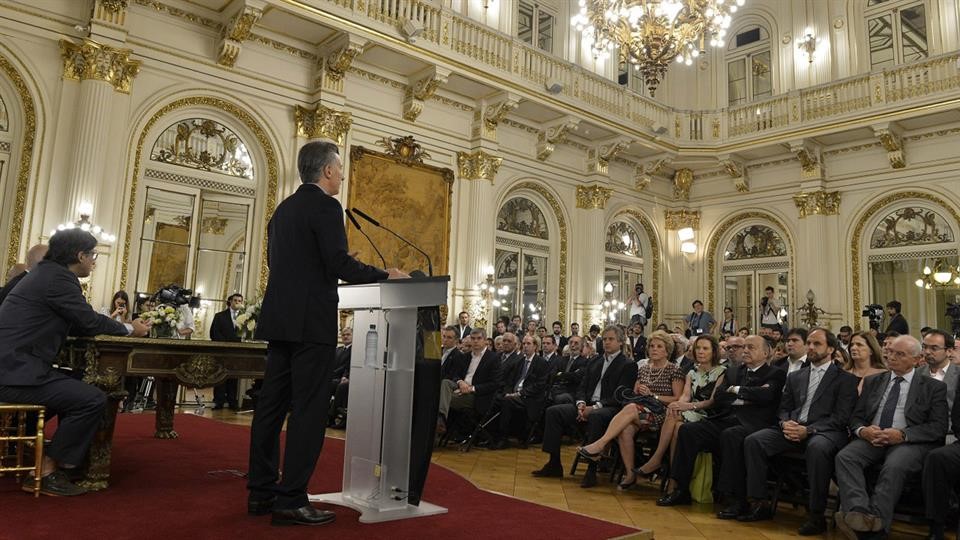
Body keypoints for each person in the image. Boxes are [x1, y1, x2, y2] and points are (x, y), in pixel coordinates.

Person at [247, 141, 406, 527]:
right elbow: (337, 264)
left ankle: (261, 492)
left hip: (280, 319)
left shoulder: (283, 210)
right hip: (311, 323)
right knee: (309, 410)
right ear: (328, 171)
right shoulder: (326, 206)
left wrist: (335, 264)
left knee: (270, 408)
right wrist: (387, 275)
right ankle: (292, 499)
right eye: (340, 168)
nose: (343, 175)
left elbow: (291, 264)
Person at [0, 229, 150, 496]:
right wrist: (130, 328)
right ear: (80, 255)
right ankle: (46, 470)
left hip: (13, 369)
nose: (94, 261)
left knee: (80, 381)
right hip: (14, 374)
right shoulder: (59, 278)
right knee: (91, 398)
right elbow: (89, 321)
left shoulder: (42, 274)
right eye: (93, 256)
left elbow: (75, 321)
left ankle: (55, 456)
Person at [741, 329, 859, 535]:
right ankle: (759, 503)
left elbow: (841, 417)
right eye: (810, 343)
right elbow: (784, 408)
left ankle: (816, 515)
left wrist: (809, 429)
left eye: (817, 344)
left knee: (817, 448)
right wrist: (786, 423)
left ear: (831, 349)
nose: (811, 347)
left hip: (825, 432)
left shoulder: (845, 379)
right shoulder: (796, 376)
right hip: (793, 428)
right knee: (754, 441)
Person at [834, 335, 948, 540]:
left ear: (916, 359)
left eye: (900, 354)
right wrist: (863, 431)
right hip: (873, 437)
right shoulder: (873, 381)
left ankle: (877, 525)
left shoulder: (932, 387)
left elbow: (938, 427)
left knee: (895, 465)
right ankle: (858, 510)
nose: (891, 357)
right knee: (845, 457)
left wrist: (903, 434)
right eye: (891, 352)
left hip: (908, 442)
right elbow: (856, 417)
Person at [656, 334, 785, 508]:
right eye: (744, 346)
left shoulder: (775, 373)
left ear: (766, 352)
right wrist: (748, 396)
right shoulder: (734, 371)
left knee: (730, 436)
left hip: (753, 424)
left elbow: (767, 395)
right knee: (688, 431)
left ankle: (733, 498)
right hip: (727, 418)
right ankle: (681, 489)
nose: (745, 350)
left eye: (751, 347)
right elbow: (720, 398)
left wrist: (736, 390)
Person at [576, 330, 684, 489]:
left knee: (631, 407)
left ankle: (600, 445)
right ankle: (630, 474)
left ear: (667, 350)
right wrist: (638, 391)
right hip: (640, 410)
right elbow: (632, 394)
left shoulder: (674, 370)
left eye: (659, 346)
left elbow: (677, 399)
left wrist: (653, 395)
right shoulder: (643, 369)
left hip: (662, 413)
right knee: (625, 429)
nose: (654, 349)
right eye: (652, 346)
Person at [532, 326, 637, 488]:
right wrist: (581, 403)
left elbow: (621, 394)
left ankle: (591, 470)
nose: (607, 342)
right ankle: (554, 463)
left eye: (611, 339)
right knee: (553, 412)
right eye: (605, 339)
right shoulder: (595, 360)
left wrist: (595, 407)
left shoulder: (628, 364)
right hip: (586, 404)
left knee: (596, 416)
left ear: (621, 342)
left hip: (611, 408)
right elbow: (582, 386)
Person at [635, 335, 727, 482]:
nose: (700, 351)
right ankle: (674, 478)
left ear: (714, 352)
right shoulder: (692, 372)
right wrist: (678, 404)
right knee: (676, 422)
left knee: (673, 415)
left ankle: (657, 459)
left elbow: (712, 402)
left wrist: (686, 406)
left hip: (708, 414)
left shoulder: (722, 371)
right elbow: (685, 395)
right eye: (698, 348)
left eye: (705, 348)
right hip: (689, 411)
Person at [210, 293, 244, 410]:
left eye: (240, 301)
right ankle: (218, 401)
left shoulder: (245, 317)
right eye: (235, 300)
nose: (237, 302)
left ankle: (232, 401)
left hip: (237, 352)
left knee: (233, 377)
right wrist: (225, 345)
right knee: (219, 376)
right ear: (230, 302)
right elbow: (214, 332)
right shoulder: (220, 316)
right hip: (222, 351)